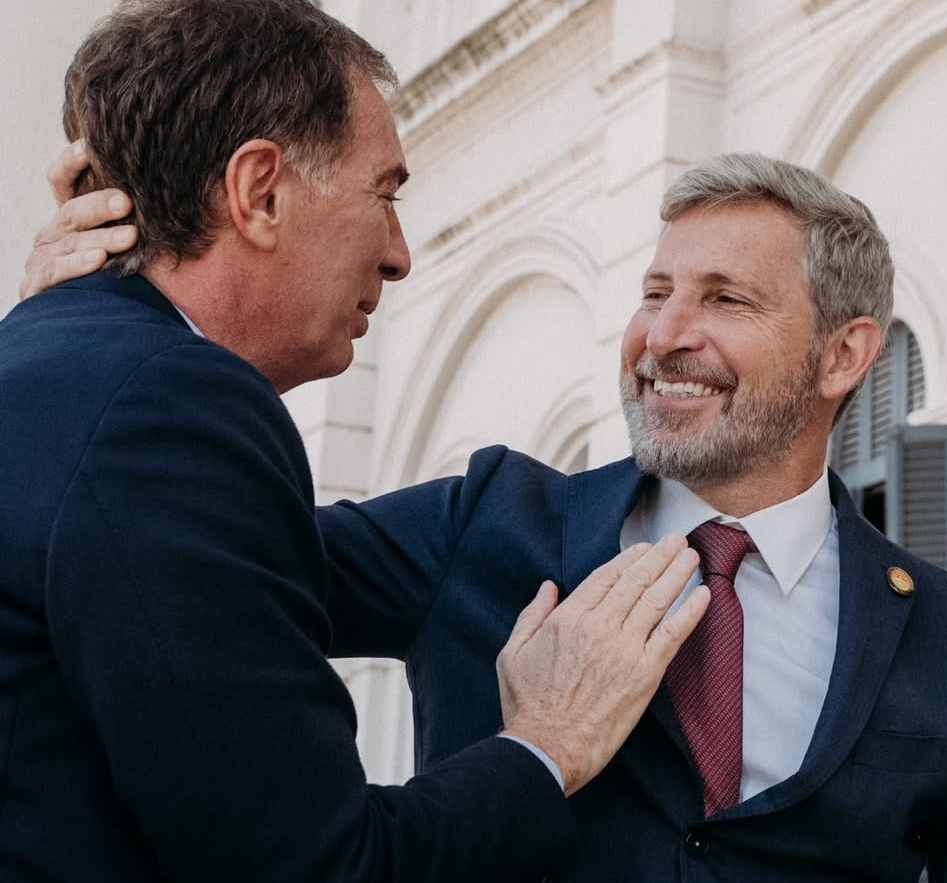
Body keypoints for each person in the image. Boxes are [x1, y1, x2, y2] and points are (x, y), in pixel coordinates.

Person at [25, 112, 947, 883]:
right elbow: (157, 549)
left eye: (725, 299)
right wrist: (94, 318)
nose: (664, 335)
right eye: (654, 293)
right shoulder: (482, 523)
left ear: (844, 355)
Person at [0, 2, 714, 882]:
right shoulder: (167, 406)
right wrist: (548, 743)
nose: (400, 254)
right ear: (260, 192)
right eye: (385, 194)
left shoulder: (52, 367)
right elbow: (324, 866)